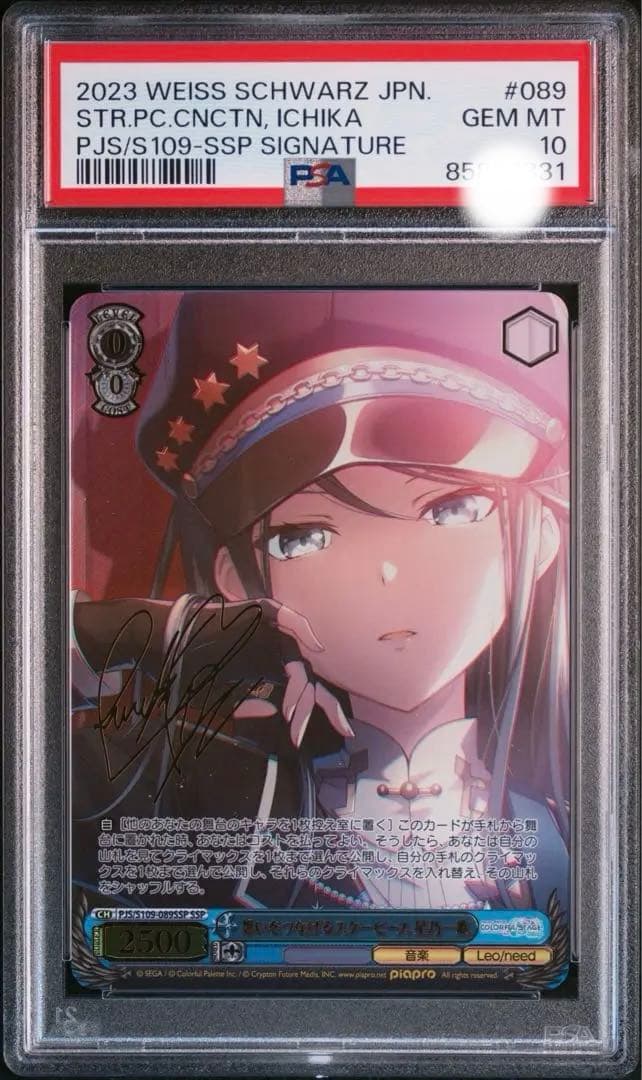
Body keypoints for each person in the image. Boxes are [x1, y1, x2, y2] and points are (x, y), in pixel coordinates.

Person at [71, 289, 570, 915]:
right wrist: (166, 633)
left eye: (452, 509)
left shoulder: (569, 828)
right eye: (303, 538)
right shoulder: (178, 796)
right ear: (236, 581)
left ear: (541, 536)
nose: (387, 569)